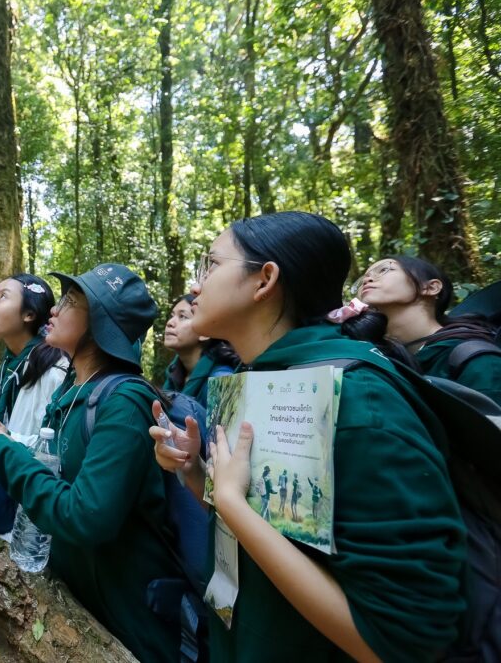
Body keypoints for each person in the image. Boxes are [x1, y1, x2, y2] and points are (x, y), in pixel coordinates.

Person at [153, 212, 467, 661]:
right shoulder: (253, 380)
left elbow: (405, 639)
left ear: (264, 280)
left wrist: (232, 504)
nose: (195, 285)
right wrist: (197, 473)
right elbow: (279, 527)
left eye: (212, 265)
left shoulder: (359, 401)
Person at [0, 264, 183, 662]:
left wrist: (4, 454)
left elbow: (86, 516)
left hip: (127, 626)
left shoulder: (124, 403)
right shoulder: (73, 390)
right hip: (79, 607)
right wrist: (9, 441)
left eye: (69, 301)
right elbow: (58, 473)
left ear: (101, 323)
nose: (53, 309)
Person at [356, 255, 501, 404]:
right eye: (362, 280)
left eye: (384, 270)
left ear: (431, 288)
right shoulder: (376, 361)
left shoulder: (477, 359)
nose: (367, 280)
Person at [0, 274, 69, 446]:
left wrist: (7, 438)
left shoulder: (55, 372)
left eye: (3, 296)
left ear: (29, 314)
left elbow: (58, 445)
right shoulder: (10, 363)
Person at [162, 294, 238, 406]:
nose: (170, 323)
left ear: (205, 333)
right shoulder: (174, 375)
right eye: (171, 316)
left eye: (182, 316)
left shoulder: (222, 380)